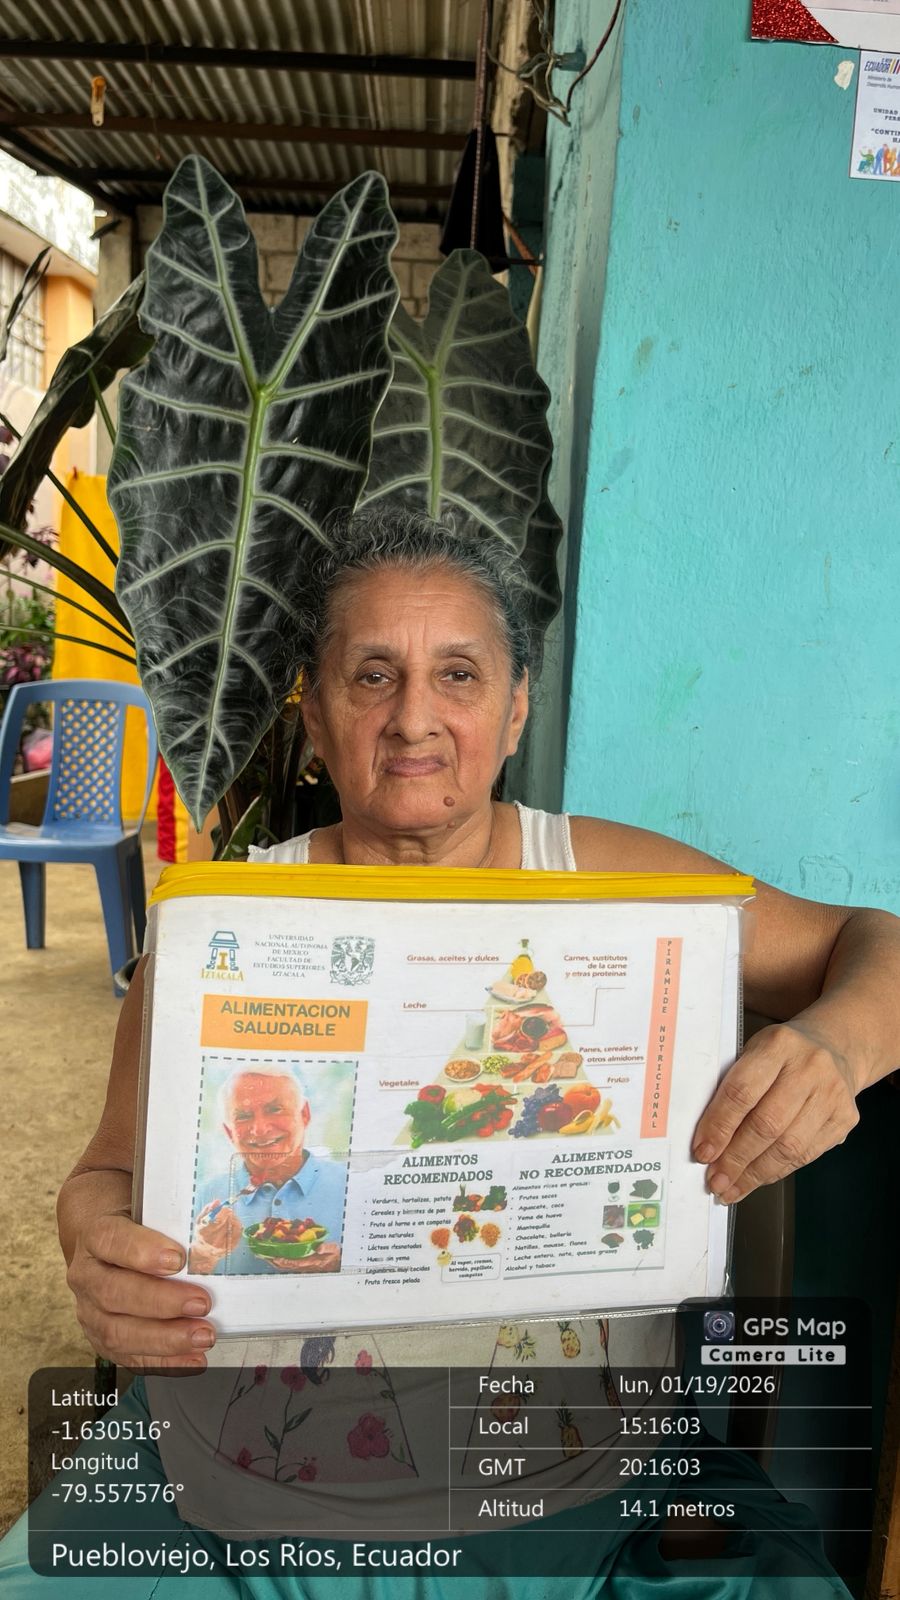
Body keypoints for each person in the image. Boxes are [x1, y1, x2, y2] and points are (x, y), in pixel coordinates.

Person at [3, 508, 897, 1598]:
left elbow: (877, 945)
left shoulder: (620, 890)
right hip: (235, 1491)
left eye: (459, 675)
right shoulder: (221, 929)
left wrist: (834, 1047)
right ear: (316, 714)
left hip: (574, 1493)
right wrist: (96, 1246)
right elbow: (107, 1170)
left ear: (515, 709)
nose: (414, 717)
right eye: (373, 675)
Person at [189, 1065, 345, 1275]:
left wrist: (340, 1265)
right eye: (243, 1116)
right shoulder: (205, 1195)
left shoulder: (349, 1184)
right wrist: (203, 1254)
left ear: (304, 1114)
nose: (260, 1129)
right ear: (229, 1132)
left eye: (275, 1109)